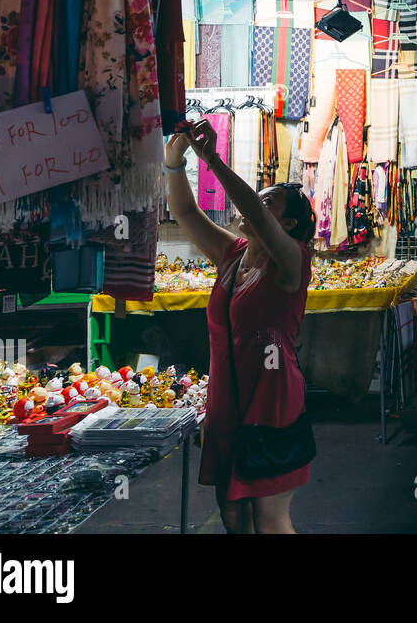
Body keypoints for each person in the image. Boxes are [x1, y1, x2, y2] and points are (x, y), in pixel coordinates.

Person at [163, 120, 317, 534]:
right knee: (232, 513)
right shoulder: (233, 254)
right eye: (259, 200)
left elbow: (249, 207)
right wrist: (174, 163)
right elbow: (184, 212)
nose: (253, 209)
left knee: (269, 519)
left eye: (269, 205)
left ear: (286, 226)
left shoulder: (292, 262)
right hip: (227, 400)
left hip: (271, 401)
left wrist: (211, 159)